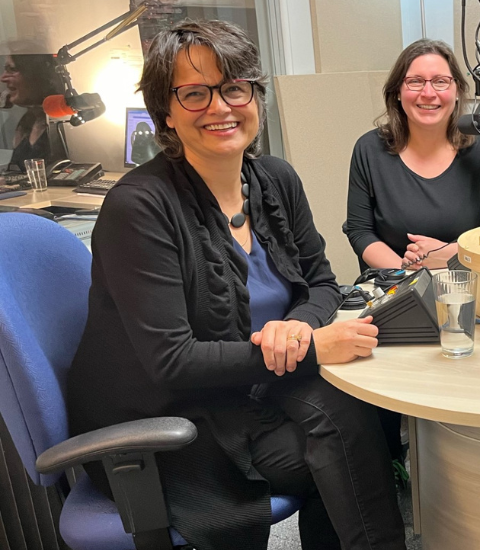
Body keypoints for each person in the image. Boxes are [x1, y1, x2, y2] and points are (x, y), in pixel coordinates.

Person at [67, 20, 406, 550]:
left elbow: (320, 282)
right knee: (345, 439)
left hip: (252, 387)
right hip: (173, 420)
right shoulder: (140, 207)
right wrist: (312, 348)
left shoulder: (274, 179)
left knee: (365, 411)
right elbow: (171, 361)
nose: (221, 107)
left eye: (234, 88)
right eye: (195, 94)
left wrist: (294, 329)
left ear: (255, 97)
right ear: (167, 113)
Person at [343, 39, 480, 272]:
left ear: (458, 91)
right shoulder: (369, 150)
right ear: (398, 92)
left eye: (441, 82)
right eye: (415, 82)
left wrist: (450, 255)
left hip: (467, 280)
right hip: (396, 281)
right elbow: (360, 231)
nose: (428, 93)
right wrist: (410, 271)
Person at [0, 52, 64, 168]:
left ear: (36, 75)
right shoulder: (19, 123)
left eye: (12, 69)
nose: (3, 78)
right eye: (5, 69)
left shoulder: (62, 126)